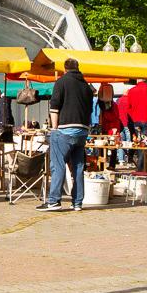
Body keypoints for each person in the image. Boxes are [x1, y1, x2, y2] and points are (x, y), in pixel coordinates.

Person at [38, 58, 94, 212]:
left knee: (58, 165)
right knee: (78, 167)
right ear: (77, 68)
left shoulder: (61, 82)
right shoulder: (87, 87)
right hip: (82, 131)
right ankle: (77, 202)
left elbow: (54, 107)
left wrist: (54, 128)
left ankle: (54, 201)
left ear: (65, 69)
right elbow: (90, 110)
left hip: (65, 129)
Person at [124, 78, 147, 170]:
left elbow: (128, 107)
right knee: (145, 145)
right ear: (146, 80)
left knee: (139, 144)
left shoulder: (131, 91)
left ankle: (142, 167)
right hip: (146, 121)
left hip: (135, 121)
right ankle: (141, 168)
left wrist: (133, 117)